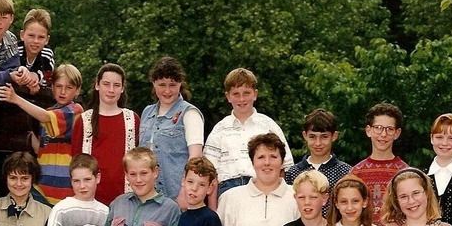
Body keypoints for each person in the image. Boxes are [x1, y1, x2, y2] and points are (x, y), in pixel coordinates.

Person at [203, 68, 293, 208]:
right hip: (227, 190)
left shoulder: (268, 126)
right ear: (228, 96)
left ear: (255, 94)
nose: (242, 99)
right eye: (236, 94)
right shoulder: (219, 130)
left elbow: (284, 166)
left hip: (262, 187)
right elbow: (210, 174)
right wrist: (213, 209)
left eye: (246, 93)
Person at [0, 64, 84, 205]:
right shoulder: (49, 111)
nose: (63, 92)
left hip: (65, 188)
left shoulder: (75, 110)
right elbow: (40, 149)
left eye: (69, 87)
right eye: (58, 86)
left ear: (77, 90)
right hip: (42, 187)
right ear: (52, 87)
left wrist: (16, 99)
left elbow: (46, 117)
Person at [71, 64, 139, 205]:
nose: (111, 90)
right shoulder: (84, 120)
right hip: (91, 199)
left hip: (126, 199)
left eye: (116, 85)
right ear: (97, 85)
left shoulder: (132, 119)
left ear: (122, 88)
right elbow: (76, 163)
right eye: (106, 84)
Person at [138, 57, 204, 205]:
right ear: (154, 83)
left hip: (176, 195)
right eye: (162, 85)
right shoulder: (147, 112)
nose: (167, 91)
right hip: (147, 195)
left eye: (172, 85)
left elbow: (195, 158)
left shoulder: (190, 113)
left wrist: (185, 192)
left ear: (180, 83)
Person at [284, 108, 351, 215]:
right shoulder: (293, 173)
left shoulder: (345, 172)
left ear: (334, 136)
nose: (318, 143)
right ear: (305, 136)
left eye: (324, 137)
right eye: (312, 137)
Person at [350, 103, 408, 225]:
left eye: (389, 129)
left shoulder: (405, 173)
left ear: (397, 133)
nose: (383, 134)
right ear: (368, 130)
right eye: (378, 128)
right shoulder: (356, 173)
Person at [18, 8, 56, 91]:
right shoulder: (15, 51)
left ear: (47, 40)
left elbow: (49, 78)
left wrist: (36, 78)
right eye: (31, 36)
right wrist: (28, 81)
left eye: (41, 37)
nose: (36, 41)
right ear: (22, 35)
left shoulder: (47, 54)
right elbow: (8, 71)